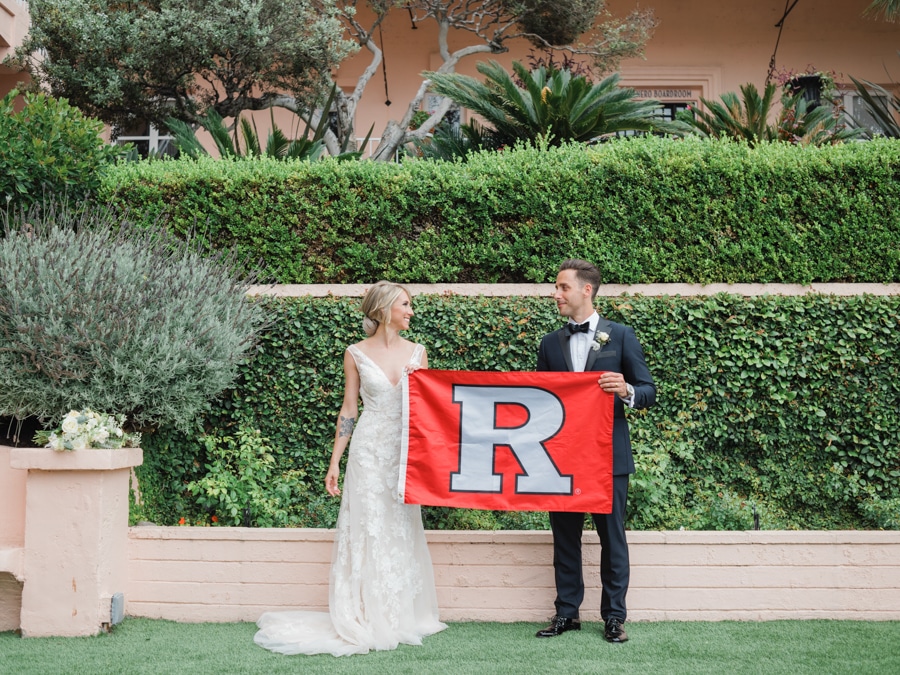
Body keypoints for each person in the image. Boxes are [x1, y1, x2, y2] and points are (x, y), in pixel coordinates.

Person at [254, 281, 446, 656]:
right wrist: (334, 461)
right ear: (384, 308)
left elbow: (427, 409)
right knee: (367, 527)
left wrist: (428, 458)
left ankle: (398, 612)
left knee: (399, 526)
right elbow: (349, 409)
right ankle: (363, 613)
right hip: (368, 451)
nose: (411, 311)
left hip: (403, 452)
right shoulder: (355, 353)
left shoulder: (418, 352)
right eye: (405, 305)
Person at [534, 259, 656, 643]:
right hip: (562, 459)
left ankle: (614, 617)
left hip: (609, 458)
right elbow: (538, 401)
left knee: (612, 538)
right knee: (564, 537)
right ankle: (566, 614)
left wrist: (627, 391)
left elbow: (649, 390)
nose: (555, 294)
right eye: (556, 287)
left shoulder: (620, 335)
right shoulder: (549, 344)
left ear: (586, 290)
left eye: (562, 287)